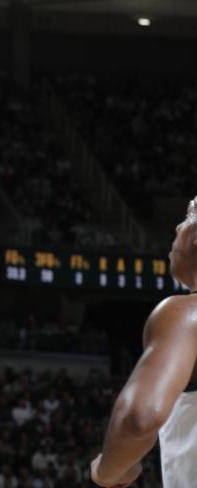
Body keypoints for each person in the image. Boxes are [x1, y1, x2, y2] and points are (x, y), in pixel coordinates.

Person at [90, 197, 197, 488]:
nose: (177, 226)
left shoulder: (186, 315)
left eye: (188, 215)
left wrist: (109, 470)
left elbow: (139, 418)